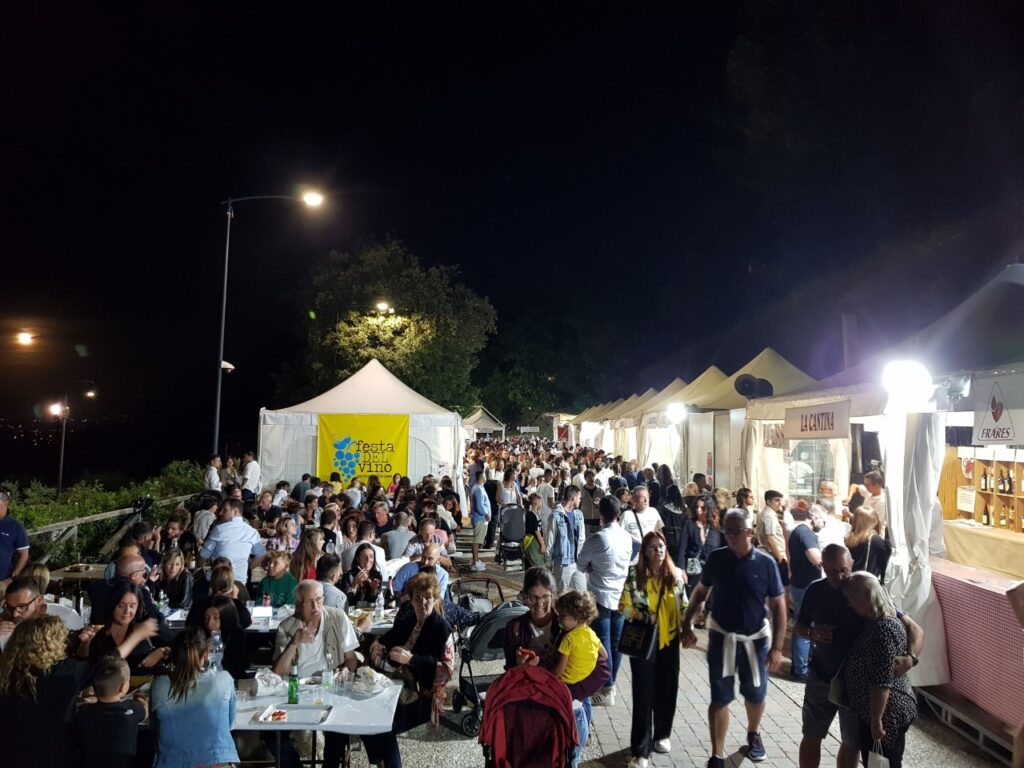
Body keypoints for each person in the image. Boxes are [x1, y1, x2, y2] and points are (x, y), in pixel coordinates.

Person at [794, 544, 923, 768]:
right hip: (821, 676)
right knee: (812, 734)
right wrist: (812, 633)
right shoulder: (815, 591)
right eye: (831, 572)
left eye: (843, 570)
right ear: (822, 566)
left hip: (857, 688)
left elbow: (915, 629)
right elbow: (800, 627)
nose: (839, 578)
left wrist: (911, 659)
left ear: (852, 563)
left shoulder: (864, 588)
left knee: (851, 742)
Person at [682, 507, 786, 767]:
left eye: (735, 531)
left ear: (749, 532)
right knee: (720, 696)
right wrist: (687, 624)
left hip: (755, 640)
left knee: (756, 693)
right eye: (726, 530)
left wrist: (777, 648)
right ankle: (717, 754)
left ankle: (753, 732)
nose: (729, 536)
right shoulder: (717, 559)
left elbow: (779, 606)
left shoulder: (766, 563)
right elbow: (700, 592)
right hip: (722, 637)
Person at [363, 573, 456, 768]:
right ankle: (380, 760)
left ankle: (385, 762)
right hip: (397, 687)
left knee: (384, 724)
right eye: (417, 597)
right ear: (411, 600)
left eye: (428, 597)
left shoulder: (442, 628)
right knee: (364, 714)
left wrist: (412, 659)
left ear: (435, 598)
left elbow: (447, 670)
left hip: (423, 693)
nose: (422, 602)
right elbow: (388, 638)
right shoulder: (409, 621)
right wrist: (378, 645)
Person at [619, 531, 685, 768]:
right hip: (644, 640)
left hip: (669, 640)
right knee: (643, 693)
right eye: (652, 547)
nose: (658, 550)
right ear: (644, 552)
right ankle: (641, 749)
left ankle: (662, 734)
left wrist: (687, 625)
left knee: (668, 688)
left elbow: (684, 605)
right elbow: (623, 606)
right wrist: (644, 616)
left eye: (661, 546)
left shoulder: (675, 576)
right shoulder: (634, 576)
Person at [0, 615, 99, 764]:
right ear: (53, 643)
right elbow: (108, 668)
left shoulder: (8, 673)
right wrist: (135, 637)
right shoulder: (65, 672)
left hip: (10, 756)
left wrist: (84, 645)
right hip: (53, 756)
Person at [843, 572, 918, 768]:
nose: (849, 604)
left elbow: (881, 682)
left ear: (867, 593)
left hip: (887, 715)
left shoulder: (882, 630)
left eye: (851, 597)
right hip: (879, 711)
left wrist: (876, 721)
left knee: (883, 763)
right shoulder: (881, 621)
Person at [150, 627, 239, 768]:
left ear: (174, 655)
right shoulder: (224, 680)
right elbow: (230, 724)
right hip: (216, 761)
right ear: (206, 654)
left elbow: (155, 728)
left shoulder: (159, 685)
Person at [577, 495, 632, 706]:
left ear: (601, 514)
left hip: (600, 595)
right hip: (621, 595)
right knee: (617, 643)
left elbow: (581, 563)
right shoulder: (626, 537)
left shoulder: (598, 538)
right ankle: (611, 684)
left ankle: (607, 687)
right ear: (619, 514)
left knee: (603, 642)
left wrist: (592, 566)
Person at [73, 655, 149, 768]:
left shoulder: (83, 713)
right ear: (122, 688)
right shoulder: (131, 709)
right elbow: (145, 711)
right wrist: (140, 697)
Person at [87, 582, 170, 674]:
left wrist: (162, 652)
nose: (127, 611)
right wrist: (135, 637)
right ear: (112, 605)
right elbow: (104, 670)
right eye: (121, 606)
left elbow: (177, 647)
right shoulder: (99, 636)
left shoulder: (144, 628)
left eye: (132, 606)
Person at [788, 505, 826, 681]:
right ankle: (801, 669)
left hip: (799, 583)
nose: (823, 525)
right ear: (814, 518)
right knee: (805, 627)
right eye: (823, 521)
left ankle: (798, 666)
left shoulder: (798, 532)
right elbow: (816, 558)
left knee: (800, 625)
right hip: (806, 586)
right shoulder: (806, 534)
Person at [200, 497, 267, 581]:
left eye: (225, 510)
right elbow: (261, 554)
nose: (220, 513)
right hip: (240, 580)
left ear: (235, 511)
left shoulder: (219, 530)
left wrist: (198, 569)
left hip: (217, 580)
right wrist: (247, 569)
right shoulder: (252, 532)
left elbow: (203, 555)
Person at [547, 485, 587, 593]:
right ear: (573, 498)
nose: (580, 500)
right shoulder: (555, 516)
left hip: (578, 562)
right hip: (563, 563)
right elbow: (550, 542)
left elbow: (582, 539)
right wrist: (548, 564)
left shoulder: (579, 515)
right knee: (562, 595)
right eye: (579, 497)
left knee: (582, 594)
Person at [202, 595, 248, 678]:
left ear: (226, 617)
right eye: (206, 618)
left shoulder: (237, 635)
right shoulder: (201, 633)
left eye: (216, 618)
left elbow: (235, 668)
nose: (209, 623)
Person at [845, 505, 891, 582]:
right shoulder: (876, 540)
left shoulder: (847, 538)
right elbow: (886, 564)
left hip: (849, 582)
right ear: (874, 521)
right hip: (866, 583)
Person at [621, 484, 663, 565]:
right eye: (642, 497)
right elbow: (619, 536)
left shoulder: (653, 512)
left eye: (647, 497)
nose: (646, 500)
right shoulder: (626, 515)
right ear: (634, 500)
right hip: (634, 560)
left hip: (651, 558)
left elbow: (660, 533)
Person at [756, 490, 790, 587]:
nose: (780, 503)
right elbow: (770, 538)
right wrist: (779, 559)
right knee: (781, 588)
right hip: (774, 556)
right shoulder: (769, 516)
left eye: (780, 500)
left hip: (769, 555)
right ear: (768, 501)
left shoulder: (765, 513)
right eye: (777, 500)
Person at [0, 487, 29, 586]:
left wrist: (12, 578)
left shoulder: (16, 526)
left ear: (6, 502)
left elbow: (24, 555)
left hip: (3, 583)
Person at [340, 542, 384, 606]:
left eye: (371, 557)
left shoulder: (377, 575)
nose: (368, 560)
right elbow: (345, 602)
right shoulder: (348, 576)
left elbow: (377, 603)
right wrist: (354, 584)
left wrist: (373, 590)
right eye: (364, 557)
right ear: (357, 559)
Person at [469, 470, 492, 572]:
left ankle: (476, 560)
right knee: (477, 540)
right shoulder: (478, 489)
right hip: (480, 518)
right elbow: (479, 505)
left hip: (480, 518)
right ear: (482, 477)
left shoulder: (478, 487)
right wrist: (486, 513)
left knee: (478, 540)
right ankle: (475, 562)